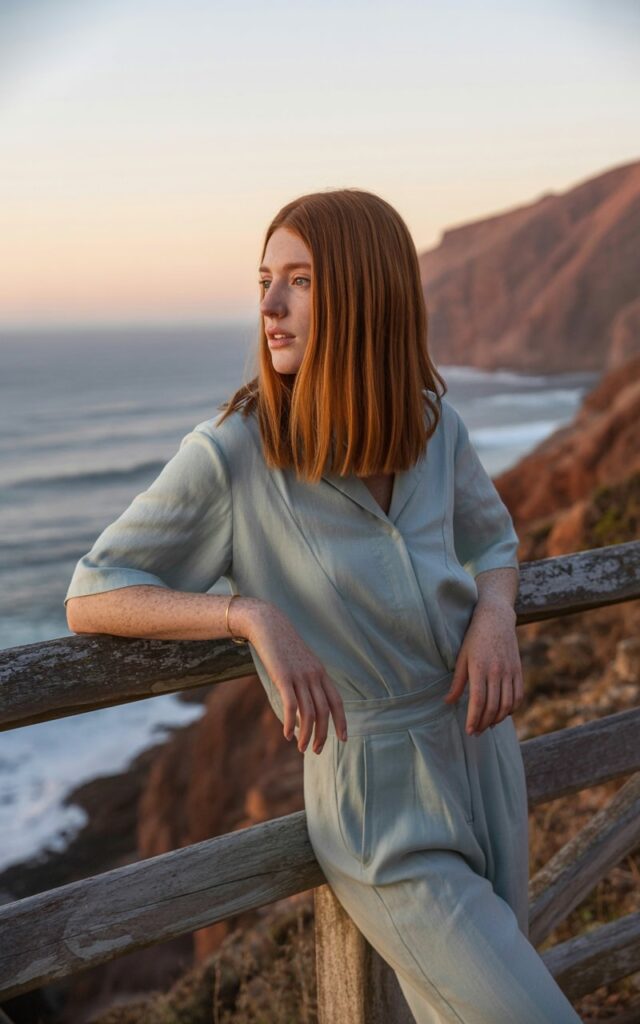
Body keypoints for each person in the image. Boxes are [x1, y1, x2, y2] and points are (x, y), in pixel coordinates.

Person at [65, 188, 582, 1023]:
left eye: (298, 281)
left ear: (363, 293)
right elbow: (93, 594)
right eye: (265, 279)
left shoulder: (431, 424)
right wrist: (249, 616)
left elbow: (492, 542)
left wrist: (495, 617)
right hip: (378, 803)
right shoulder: (231, 455)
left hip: (486, 754)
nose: (269, 306)